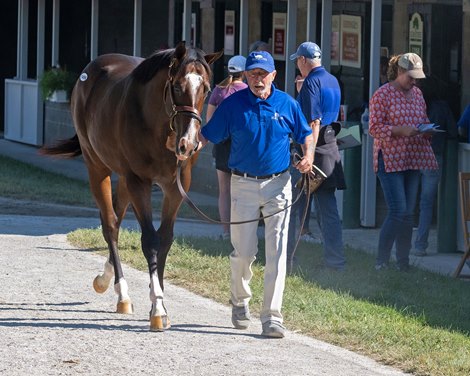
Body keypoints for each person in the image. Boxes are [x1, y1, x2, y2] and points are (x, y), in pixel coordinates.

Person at [199, 51, 314, 338]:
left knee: (277, 253)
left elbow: (306, 134)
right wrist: (187, 145)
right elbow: (207, 134)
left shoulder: (287, 104)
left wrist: (308, 156)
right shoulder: (233, 104)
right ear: (246, 76)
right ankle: (239, 301)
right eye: (252, 74)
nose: (258, 79)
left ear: (274, 75)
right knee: (244, 252)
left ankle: (272, 316)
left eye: (263, 74)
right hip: (243, 185)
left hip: (279, 185)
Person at [369, 53, 438, 271]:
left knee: (408, 213)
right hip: (389, 158)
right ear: (399, 72)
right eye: (410, 77)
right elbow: (374, 128)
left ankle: (403, 262)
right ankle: (381, 261)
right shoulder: (383, 94)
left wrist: (427, 130)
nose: (414, 82)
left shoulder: (417, 94)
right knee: (398, 211)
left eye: (417, 78)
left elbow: (423, 119)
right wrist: (401, 131)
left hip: (412, 157)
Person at [288, 41, 346, 271]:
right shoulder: (332, 80)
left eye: (297, 62)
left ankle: (288, 257)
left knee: (293, 205)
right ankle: (336, 261)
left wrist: (307, 155)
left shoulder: (312, 81)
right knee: (328, 209)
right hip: (329, 147)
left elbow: (313, 121)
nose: (297, 67)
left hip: (312, 150)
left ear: (303, 60)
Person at [412, 77, 457, 256]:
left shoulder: (414, 104)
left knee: (409, 201)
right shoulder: (442, 107)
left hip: (414, 155)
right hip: (434, 156)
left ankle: (405, 242)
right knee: (427, 203)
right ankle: (420, 245)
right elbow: (453, 131)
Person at [206, 55, 248, 240]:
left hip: (222, 146)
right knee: (244, 190)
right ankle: (241, 232)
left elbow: (209, 121)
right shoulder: (248, 90)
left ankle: (225, 231)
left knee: (224, 191)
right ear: (245, 72)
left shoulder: (219, 90)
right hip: (243, 146)